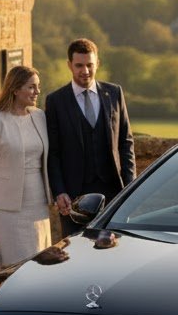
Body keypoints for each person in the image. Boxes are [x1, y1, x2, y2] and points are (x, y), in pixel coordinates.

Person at [45, 38, 136, 237]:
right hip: (73, 196)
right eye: (79, 66)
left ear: (97, 63)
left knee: (114, 251)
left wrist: (131, 186)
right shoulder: (56, 101)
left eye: (89, 65)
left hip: (114, 192)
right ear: (69, 65)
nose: (85, 71)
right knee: (74, 254)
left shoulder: (114, 93)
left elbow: (125, 142)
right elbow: (53, 153)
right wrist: (59, 191)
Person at [0, 65, 52, 267]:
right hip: (6, 208)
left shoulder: (39, 116)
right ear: (15, 89)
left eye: (38, 86)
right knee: (13, 266)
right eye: (32, 87)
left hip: (38, 202)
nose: (37, 92)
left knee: (39, 260)